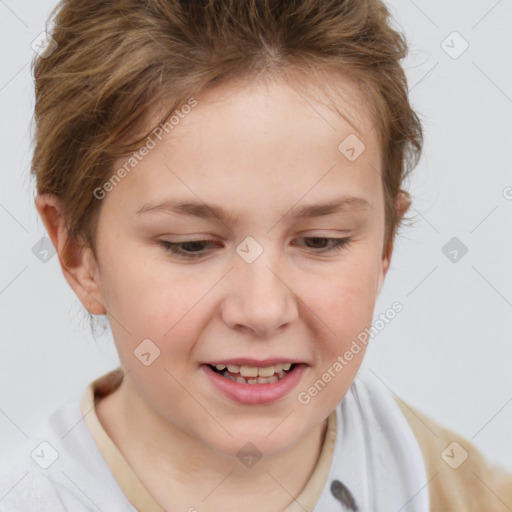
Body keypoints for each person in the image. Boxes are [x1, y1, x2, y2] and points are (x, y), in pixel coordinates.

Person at [1, 0, 511, 510]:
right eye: (192, 246)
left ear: (386, 245)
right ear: (77, 254)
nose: (263, 310)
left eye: (321, 241)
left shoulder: (459, 493)